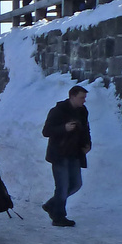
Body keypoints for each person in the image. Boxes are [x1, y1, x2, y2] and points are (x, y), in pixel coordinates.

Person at [41, 85, 91, 227]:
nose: (84, 100)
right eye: (82, 97)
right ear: (72, 97)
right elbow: (46, 131)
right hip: (59, 154)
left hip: (75, 153)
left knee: (76, 184)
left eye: (85, 97)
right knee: (62, 186)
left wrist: (87, 144)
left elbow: (86, 129)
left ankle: (52, 205)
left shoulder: (83, 111)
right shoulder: (58, 111)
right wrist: (64, 128)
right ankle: (59, 217)